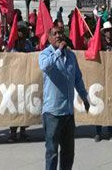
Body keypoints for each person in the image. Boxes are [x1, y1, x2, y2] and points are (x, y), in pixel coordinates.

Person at [39, 25, 90, 170]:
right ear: (49, 38)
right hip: (52, 114)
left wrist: (84, 97)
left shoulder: (71, 56)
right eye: (54, 34)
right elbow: (44, 66)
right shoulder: (45, 54)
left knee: (68, 153)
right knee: (52, 152)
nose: (58, 36)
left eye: (60, 33)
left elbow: (77, 79)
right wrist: (58, 51)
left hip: (68, 114)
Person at [8, 22, 35, 143]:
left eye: (24, 30)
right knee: (14, 106)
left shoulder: (28, 44)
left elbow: (33, 56)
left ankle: (23, 131)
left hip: (26, 78)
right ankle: (13, 132)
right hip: (13, 79)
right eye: (20, 30)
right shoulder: (10, 44)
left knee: (24, 105)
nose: (22, 33)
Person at [94, 22, 112, 142]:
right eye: (107, 30)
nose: (109, 32)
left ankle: (110, 132)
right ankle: (98, 132)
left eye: (110, 30)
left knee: (110, 105)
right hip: (100, 76)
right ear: (103, 32)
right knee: (99, 105)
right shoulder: (99, 44)